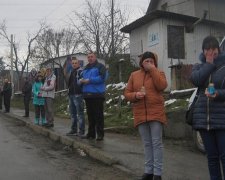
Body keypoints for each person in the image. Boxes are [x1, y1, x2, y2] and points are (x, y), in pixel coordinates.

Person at [124, 51, 168, 180]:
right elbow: (127, 93)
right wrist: (135, 95)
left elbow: (162, 86)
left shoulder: (159, 73)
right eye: (146, 61)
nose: (149, 63)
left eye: (151, 61)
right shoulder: (134, 75)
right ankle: (148, 171)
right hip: (140, 113)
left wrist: (153, 70)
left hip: (156, 113)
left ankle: (157, 174)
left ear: (155, 63)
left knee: (157, 143)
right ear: (141, 62)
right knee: (147, 144)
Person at [190, 35, 225, 180]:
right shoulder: (198, 67)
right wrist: (209, 65)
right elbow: (196, 80)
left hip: (222, 118)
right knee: (211, 157)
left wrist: (218, 93)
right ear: (203, 51)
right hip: (204, 119)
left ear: (219, 49)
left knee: (224, 156)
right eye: (207, 49)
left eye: (214, 49)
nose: (211, 52)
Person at [80, 51, 107, 141]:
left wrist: (89, 80)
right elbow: (79, 78)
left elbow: (103, 77)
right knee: (90, 116)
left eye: (91, 56)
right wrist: (80, 81)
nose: (90, 58)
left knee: (98, 115)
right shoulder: (85, 68)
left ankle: (100, 134)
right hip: (87, 95)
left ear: (95, 57)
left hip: (97, 95)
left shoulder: (100, 66)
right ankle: (91, 134)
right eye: (88, 57)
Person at [66, 57, 85, 136]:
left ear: (79, 63)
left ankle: (81, 131)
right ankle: (73, 130)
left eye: (75, 63)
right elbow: (69, 83)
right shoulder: (71, 72)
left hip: (78, 95)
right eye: (73, 63)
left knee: (80, 114)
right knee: (73, 114)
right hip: (71, 95)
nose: (74, 64)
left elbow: (82, 82)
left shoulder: (81, 71)